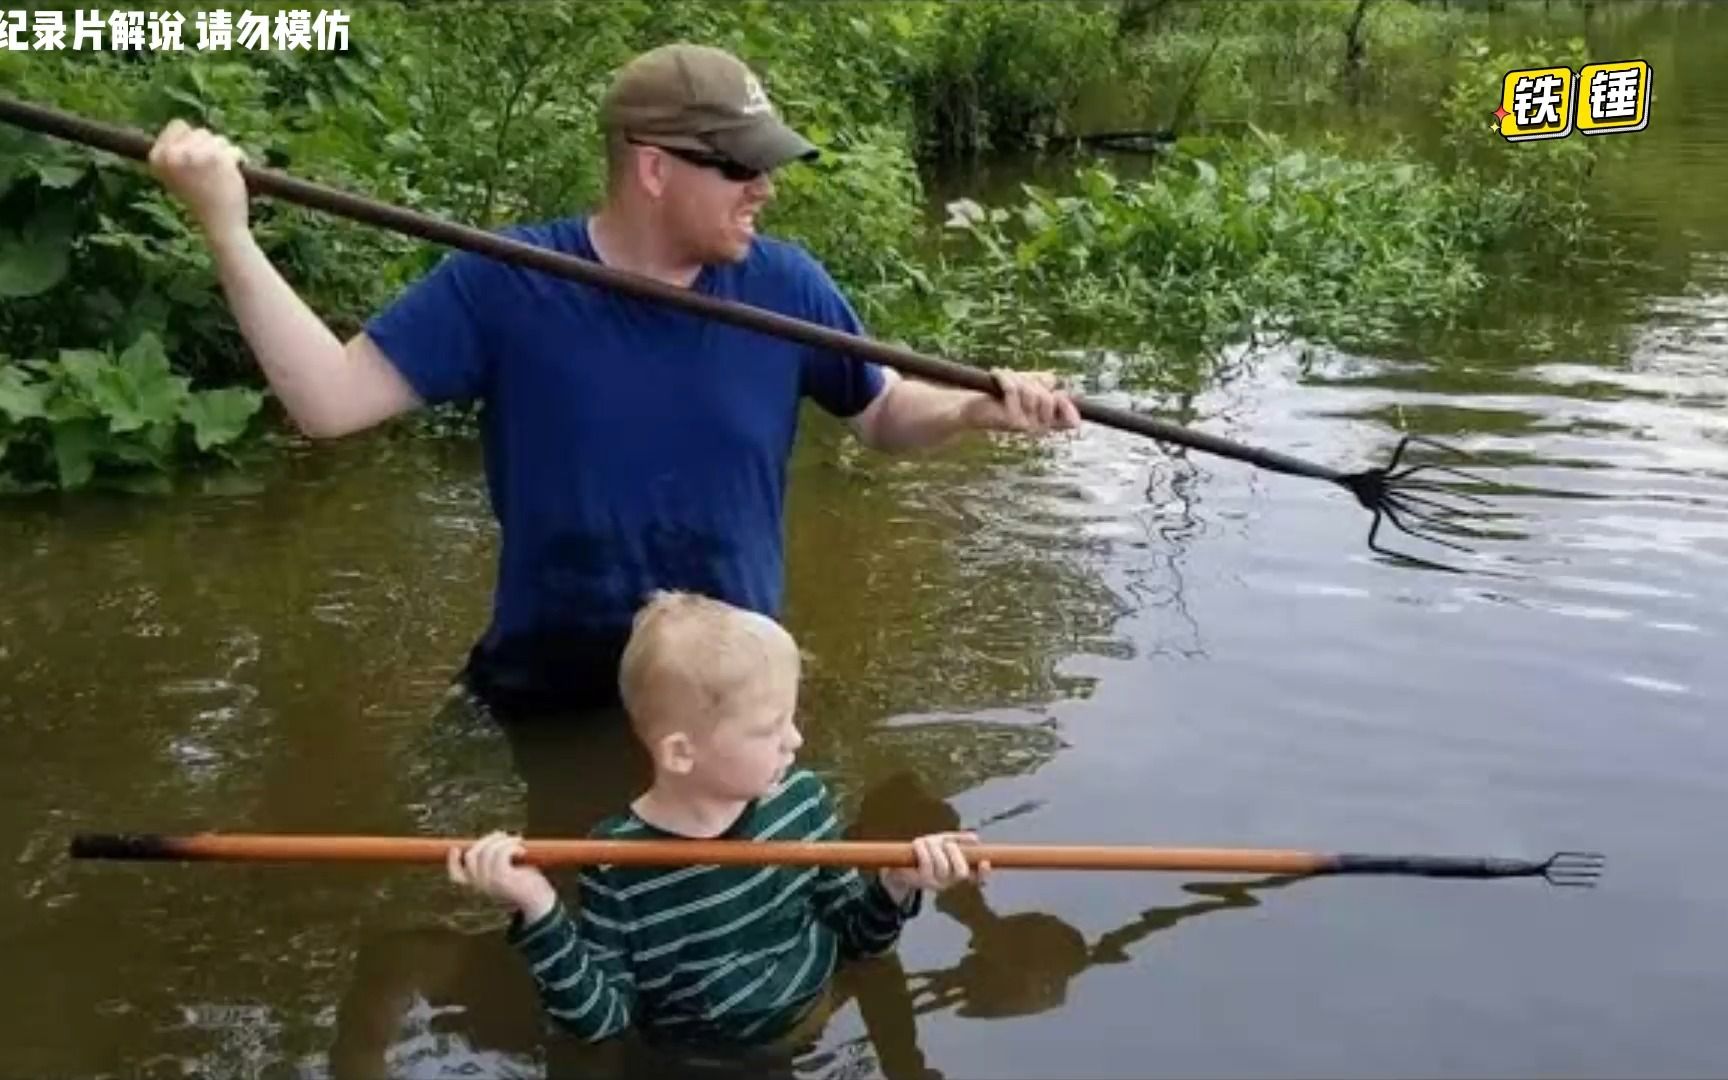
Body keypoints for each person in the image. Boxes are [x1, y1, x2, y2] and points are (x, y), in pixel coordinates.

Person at [145, 42, 1082, 718]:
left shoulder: (785, 284)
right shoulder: (506, 281)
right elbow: (327, 402)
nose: (767, 188)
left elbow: (880, 413)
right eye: (742, 167)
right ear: (653, 168)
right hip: (552, 684)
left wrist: (967, 408)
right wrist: (226, 229)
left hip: (730, 700)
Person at [446, 590, 989, 1047]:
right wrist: (537, 905)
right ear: (681, 753)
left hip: (811, 1030)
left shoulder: (801, 802)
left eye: (792, 719)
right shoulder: (617, 863)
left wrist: (896, 883)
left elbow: (859, 940)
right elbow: (601, 1021)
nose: (795, 741)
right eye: (769, 729)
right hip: (694, 1065)